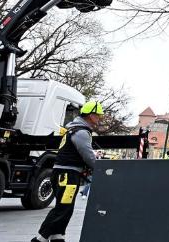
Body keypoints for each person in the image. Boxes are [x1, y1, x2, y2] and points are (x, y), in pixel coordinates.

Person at [31, 101, 103, 242]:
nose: (99, 118)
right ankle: (40, 239)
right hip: (68, 176)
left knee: (66, 208)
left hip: (63, 174)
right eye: (98, 115)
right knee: (63, 208)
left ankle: (58, 237)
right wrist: (99, 169)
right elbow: (87, 155)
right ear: (90, 115)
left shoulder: (74, 129)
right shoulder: (82, 132)